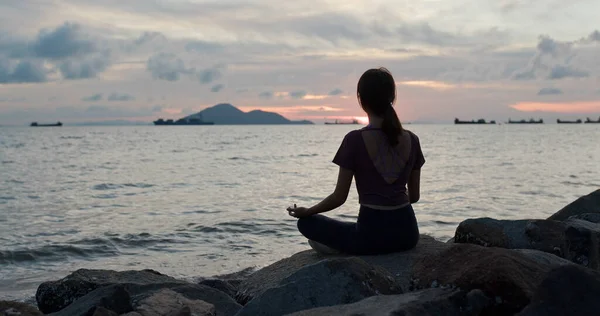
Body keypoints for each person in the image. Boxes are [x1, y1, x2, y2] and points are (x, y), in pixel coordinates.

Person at [287, 67, 425, 255]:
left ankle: (345, 249)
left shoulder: (354, 139)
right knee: (348, 229)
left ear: (361, 99)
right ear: (392, 98)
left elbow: (339, 198)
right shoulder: (413, 139)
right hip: (408, 235)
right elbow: (414, 197)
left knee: (307, 224)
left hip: (369, 237)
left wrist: (307, 211)